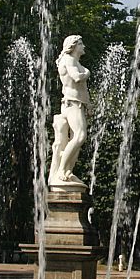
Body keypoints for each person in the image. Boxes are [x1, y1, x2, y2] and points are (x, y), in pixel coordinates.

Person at [49, 35, 90, 187]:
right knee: (80, 136)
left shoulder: (74, 61)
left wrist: (89, 104)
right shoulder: (69, 60)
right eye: (81, 43)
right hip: (72, 103)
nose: (84, 46)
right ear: (73, 46)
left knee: (76, 141)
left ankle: (67, 172)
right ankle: (61, 170)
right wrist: (87, 72)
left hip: (77, 103)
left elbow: (82, 88)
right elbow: (77, 78)